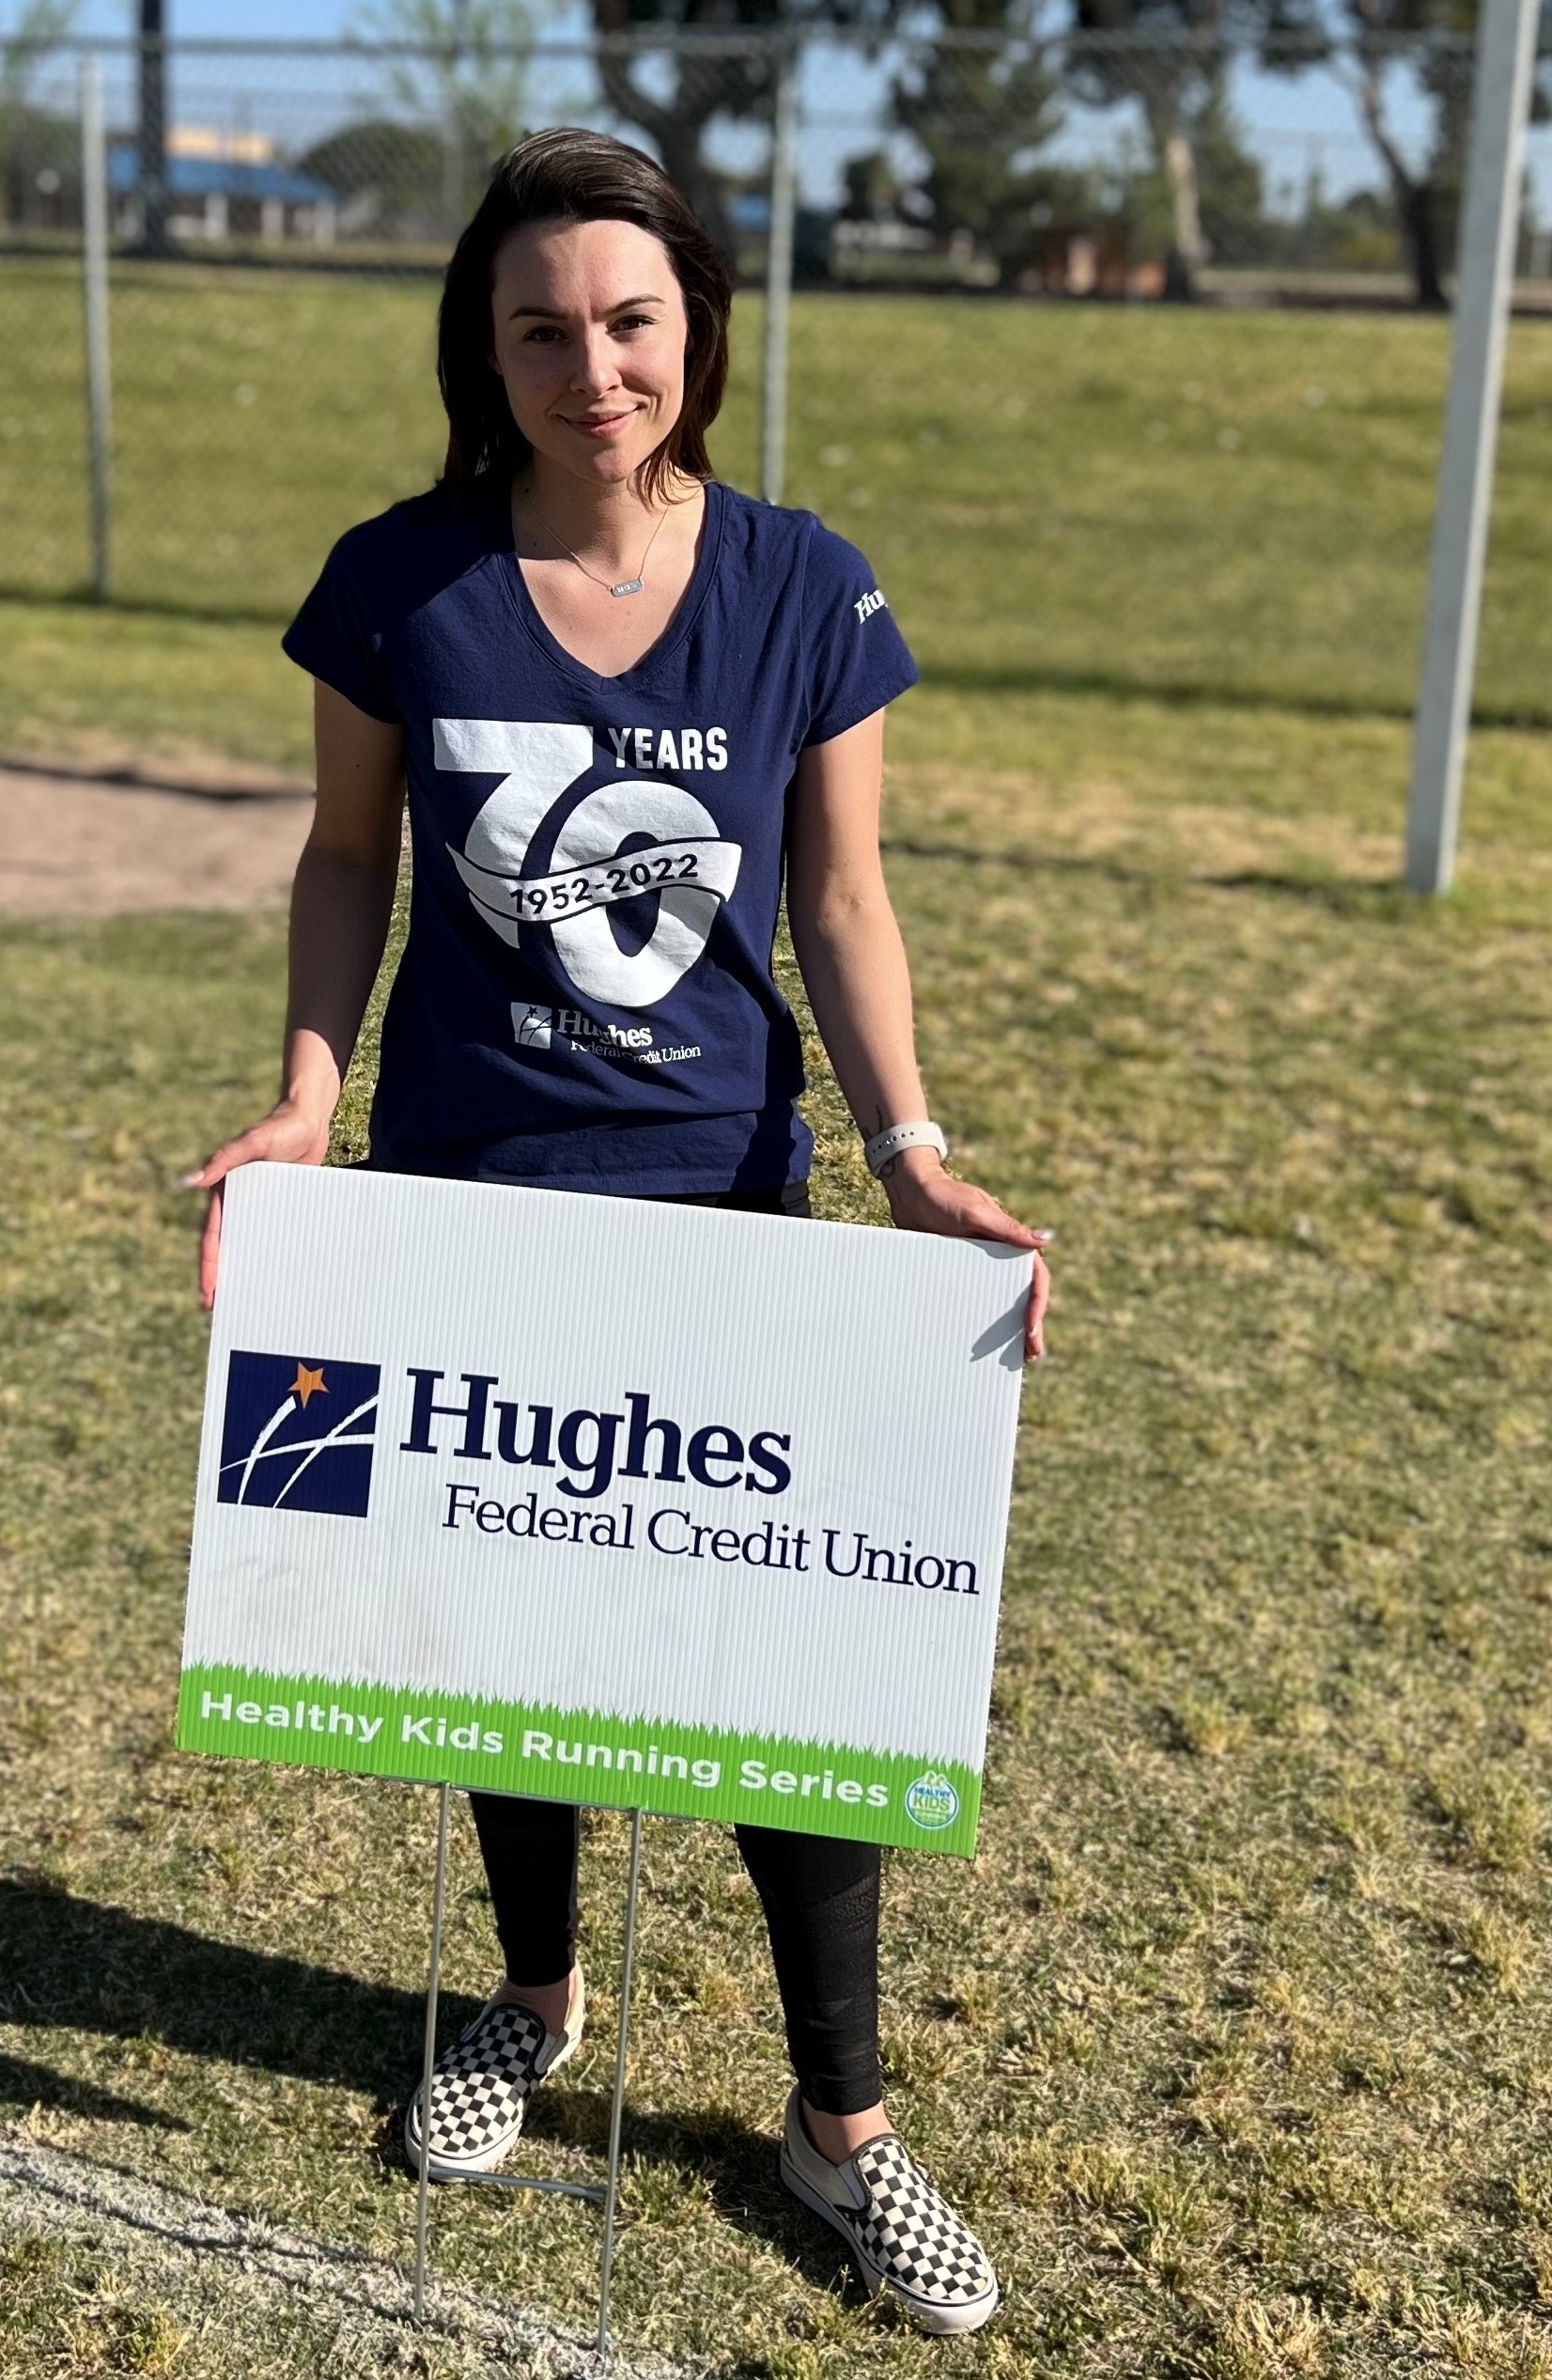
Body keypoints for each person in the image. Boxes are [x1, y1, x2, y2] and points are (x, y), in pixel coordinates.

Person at [189, 126, 1050, 2338]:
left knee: (790, 1681)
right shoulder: (405, 579)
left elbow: (841, 894)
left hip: (726, 1212)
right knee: (514, 1649)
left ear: (699, 330)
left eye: (633, 321)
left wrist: (912, 1144)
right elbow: (344, 857)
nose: (595, 367)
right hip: (478, 1202)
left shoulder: (801, 582)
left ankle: (837, 2127)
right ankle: (533, 1995)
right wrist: (311, 1094)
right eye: (544, 328)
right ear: (484, 349)